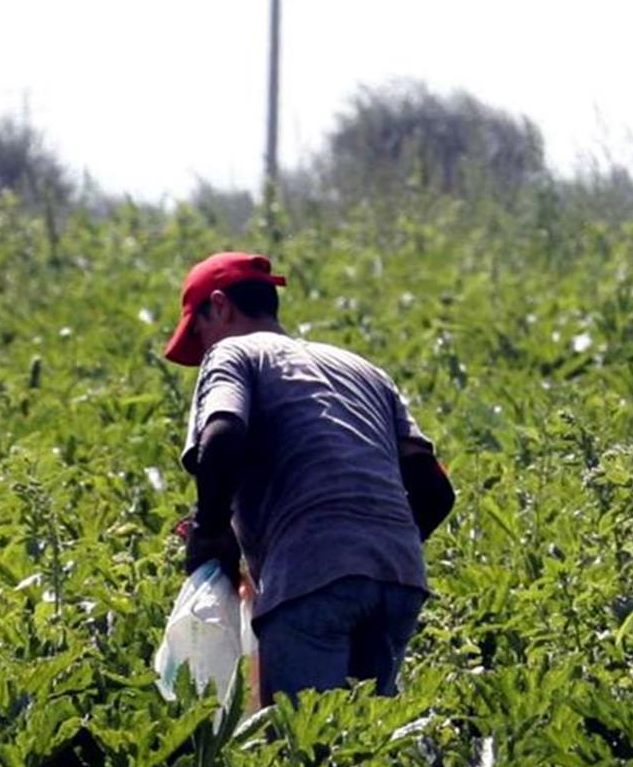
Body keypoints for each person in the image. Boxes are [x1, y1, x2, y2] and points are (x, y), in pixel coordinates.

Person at [164, 252, 456, 701]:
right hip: (399, 578)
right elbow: (435, 491)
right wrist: (369, 547)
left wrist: (209, 530)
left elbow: (222, 434)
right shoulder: (364, 370)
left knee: (304, 749)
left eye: (199, 331)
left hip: (310, 575)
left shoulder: (234, 353)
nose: (203, 347)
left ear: (219, 306)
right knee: (368, 746)